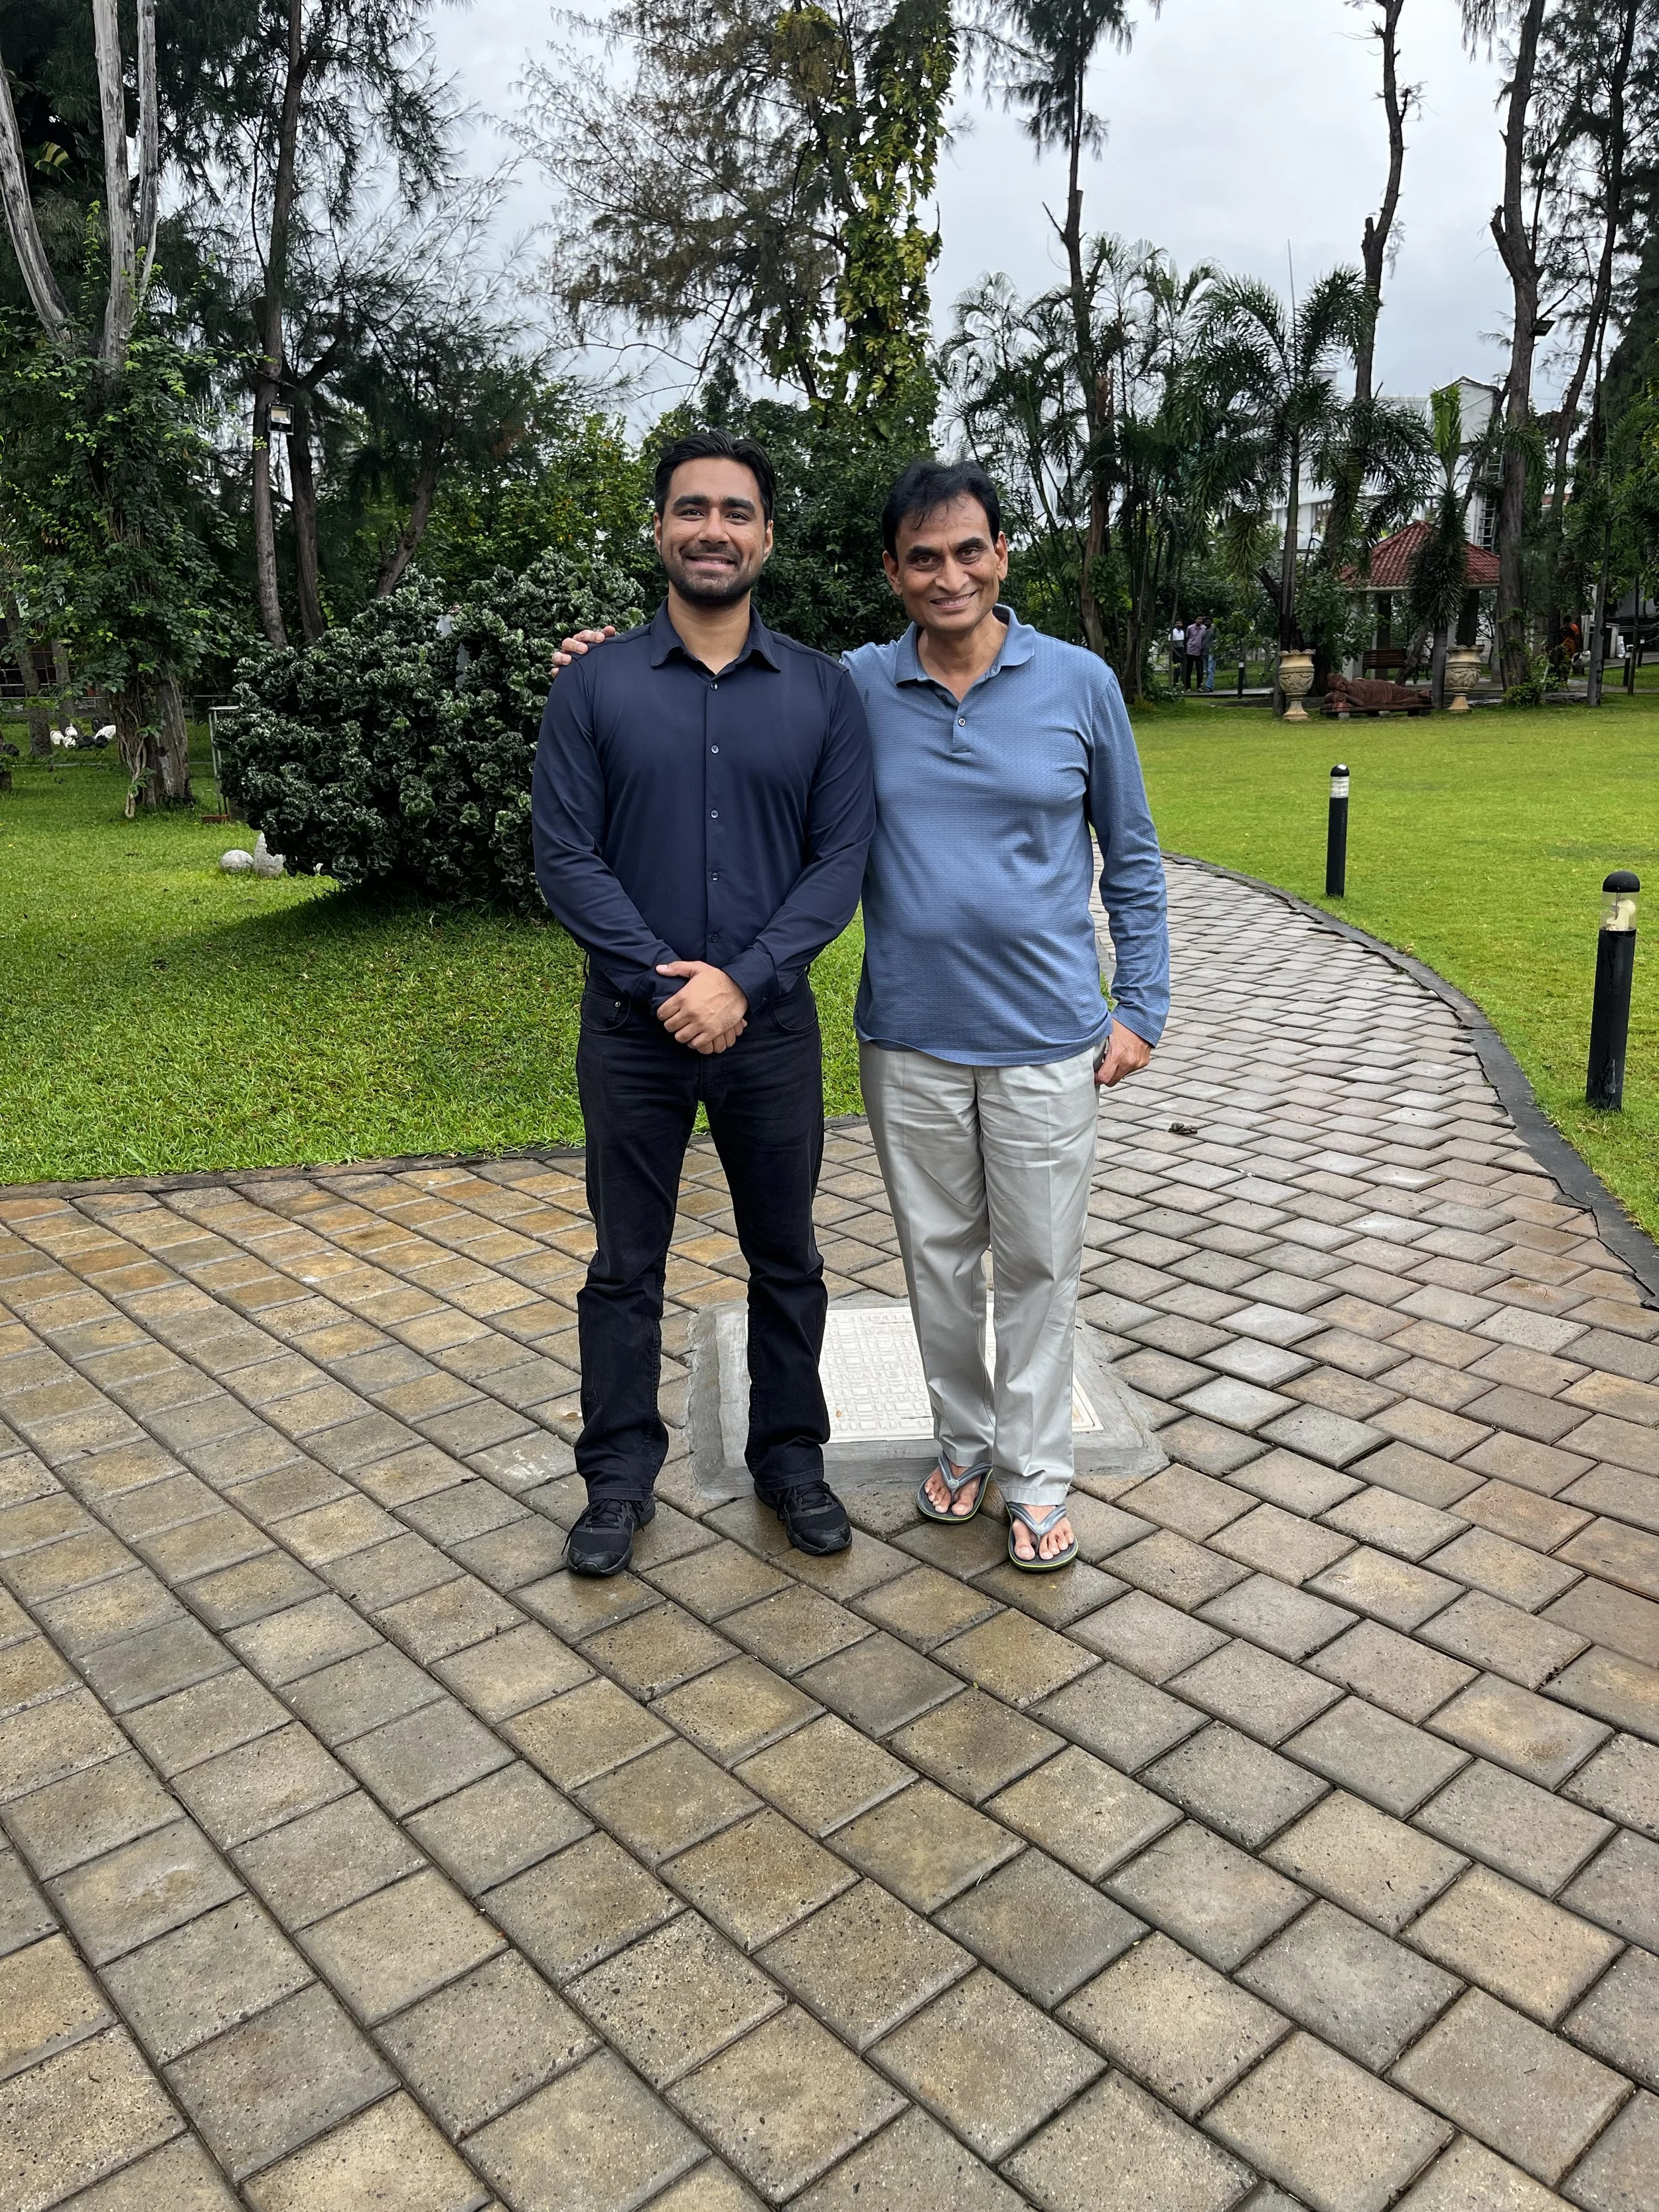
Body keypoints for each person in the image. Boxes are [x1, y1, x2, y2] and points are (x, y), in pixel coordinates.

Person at [554, 459, 1169, 1570]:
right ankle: (941, 1449)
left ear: (1002, 555)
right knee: (922, 1262)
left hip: (1017, 1034)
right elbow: (598, 819)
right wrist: (601, 663)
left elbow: (1117, 852)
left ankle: (1003, 1474)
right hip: (884, 1034)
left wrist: (1143, 1006)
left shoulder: (1046, 683)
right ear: (891, 571)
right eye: (923, 558)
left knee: (1006, 1265)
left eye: (969, 551)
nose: (949, 575)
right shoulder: (849, 684)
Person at [532, 429, 875, 1576]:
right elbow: (565, 854)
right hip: (631, 1031)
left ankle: (792, 1458)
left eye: (736, 511)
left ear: (766, 535)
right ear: (660, 529)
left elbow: (839, 860)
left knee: (788, 1257)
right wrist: (667, 981)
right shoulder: (593, 683)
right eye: (692, 509)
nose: (713, 530)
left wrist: (745, 980)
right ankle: (618, 1479)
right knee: (625, 1264)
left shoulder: (824, 692)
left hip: (769, 1028)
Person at [1184, 615, 1206, 691]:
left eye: (1202, 619)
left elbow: (1204, 639)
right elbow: (1187, 638)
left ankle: (1199, 687)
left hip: (1199, 651)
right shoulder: (1190, 628)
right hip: (1190, 650)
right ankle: (1188, 687)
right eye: (1199, 619)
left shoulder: (1204, 629)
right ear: (1195, 620)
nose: (1200, 620)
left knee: (1199, 670)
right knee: (1189, 669)